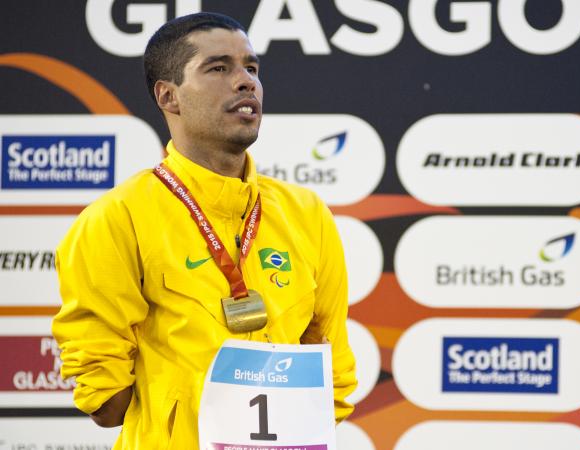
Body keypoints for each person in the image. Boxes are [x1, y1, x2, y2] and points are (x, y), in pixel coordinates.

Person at [52, 12, 356, 448]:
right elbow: (106, 400)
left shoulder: (306, 213)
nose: (245, 81)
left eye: (252, 68)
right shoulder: (116, 218)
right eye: (218, 68)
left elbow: (332, 374)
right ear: (169, 96)